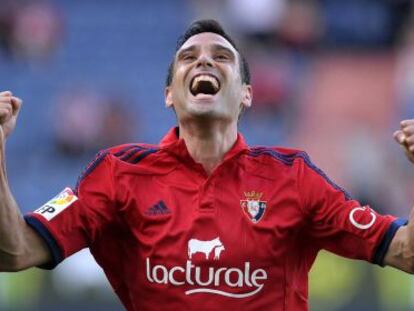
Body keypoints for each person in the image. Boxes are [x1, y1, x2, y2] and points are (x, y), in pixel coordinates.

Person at [0, 19, 413, 311]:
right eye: (188, 57)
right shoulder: (117, 175)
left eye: (222, 56)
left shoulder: (294, 178)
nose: (204, 62)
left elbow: (406, 254)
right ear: (168, 94)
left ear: (246, 94)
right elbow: (15, 251)